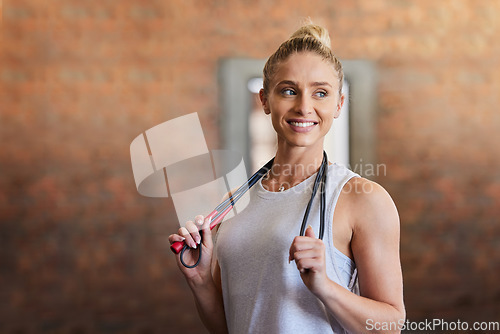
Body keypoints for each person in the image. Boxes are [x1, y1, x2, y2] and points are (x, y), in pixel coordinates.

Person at [169, 23, 405, 334]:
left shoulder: (363, 198)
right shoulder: (234, 202)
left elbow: (391, 325)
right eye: (289, 90)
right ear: (265, 99)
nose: (304, 107)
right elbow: (232, 325)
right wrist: (200, 281)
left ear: (338, 104)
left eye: (320, 92)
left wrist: (325, 287)